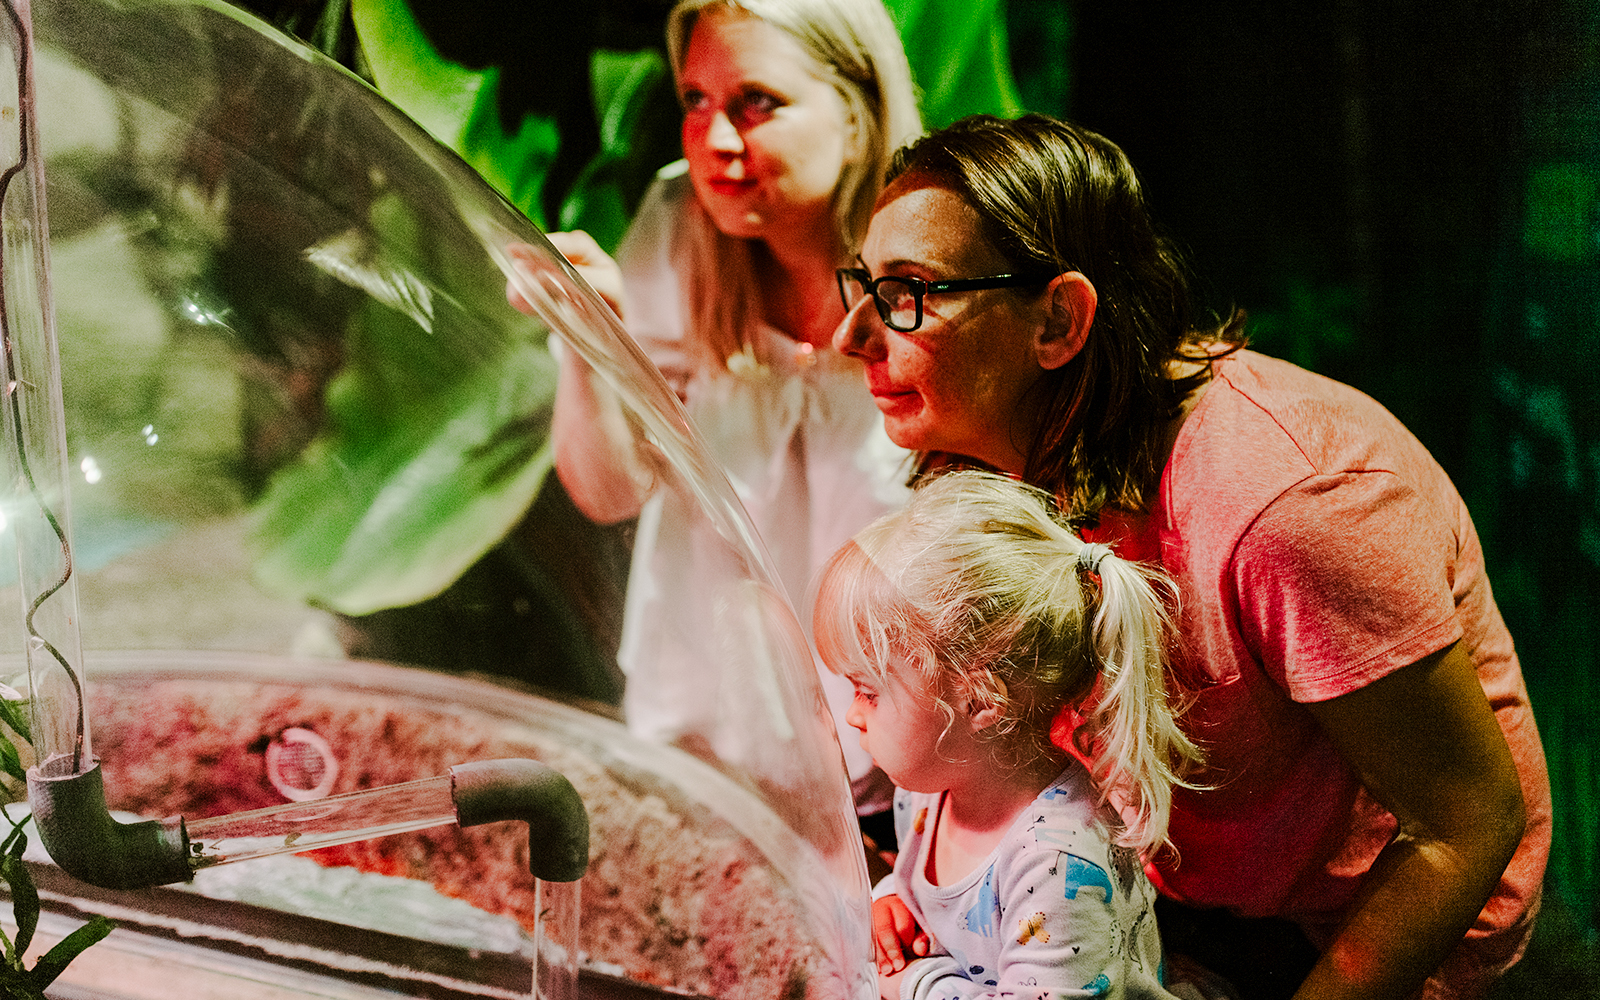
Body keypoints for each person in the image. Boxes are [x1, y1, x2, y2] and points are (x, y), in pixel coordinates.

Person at [831, 113, 1552, 1000]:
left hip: (1340, 944)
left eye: (909, 293)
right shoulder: (989, 454)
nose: (854, 336)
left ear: (1059, 319)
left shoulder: (1293, 502)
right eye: (862, 286)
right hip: (1163, 901)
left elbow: (1470, 824)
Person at [507, 0, 922, 846]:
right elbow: (609, 492)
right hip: (705, 739)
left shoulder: (933, 263)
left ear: (857, 110)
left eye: (756, 102)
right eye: (696, 101)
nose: (715, 141)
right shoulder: (673, 227)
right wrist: (594, 345)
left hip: (907, 768)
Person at [813, 469, 1209, 1000]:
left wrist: (913, 981)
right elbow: (923, 899)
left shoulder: (1057, 865)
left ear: (979, 701)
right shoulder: (926, 792)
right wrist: (893, 901)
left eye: (868, 691)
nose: (854, 716)